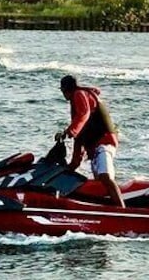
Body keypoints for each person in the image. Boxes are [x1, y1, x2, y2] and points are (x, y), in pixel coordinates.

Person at [55, 74, 125, 207]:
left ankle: (122, 210)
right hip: (95, 150)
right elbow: (79, 136)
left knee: (105, 177)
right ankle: (108, 210)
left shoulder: (79, 94)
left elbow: (84, 114)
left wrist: (69, 131)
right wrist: (69, 168)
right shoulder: (76, 105)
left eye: (62, 91)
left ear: (65, 89)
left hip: (105, 143)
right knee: (99, 183)